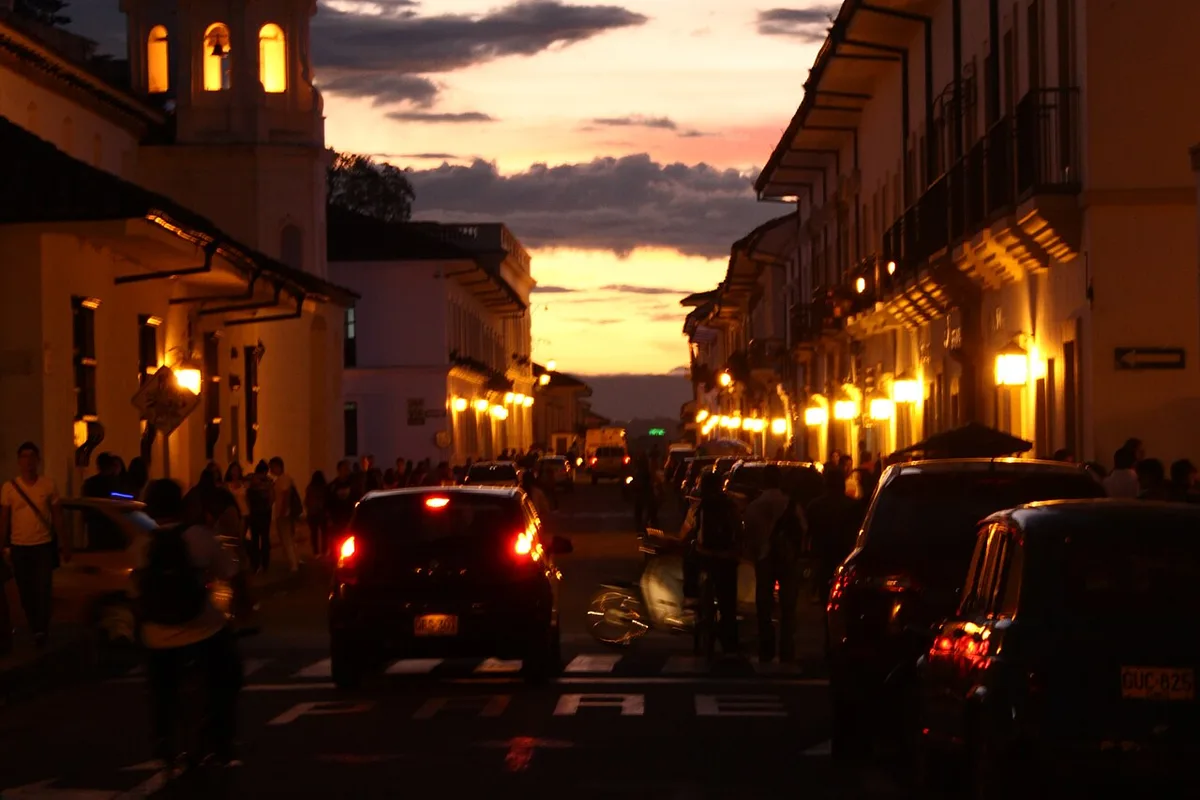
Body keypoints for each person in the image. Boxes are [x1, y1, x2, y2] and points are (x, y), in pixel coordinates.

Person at [138, 479, 242, 767]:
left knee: (159, 687)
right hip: (202, 630)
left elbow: (135, 591)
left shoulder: (142, 544)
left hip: (157, 635)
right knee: (229, 674)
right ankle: (223, 740)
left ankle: (162, 737)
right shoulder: (200, 537)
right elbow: (230, 573)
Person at [1, 441, 69, 651]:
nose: (28, 461)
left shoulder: (48, 485)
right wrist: (2, 544)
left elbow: (57, 516)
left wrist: (64, 542)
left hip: (42, 545)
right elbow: (4, 518)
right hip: (20, 546)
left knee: (42, 588)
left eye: (32, 457)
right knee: (25, 590)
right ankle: (34, 625)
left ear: (38, 461)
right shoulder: (9, 487)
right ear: (19, 461)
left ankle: (41, 629)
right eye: (23, 457)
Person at [743, 465, 808, 663]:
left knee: (764, 604)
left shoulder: (755, 505)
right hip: (787, 558)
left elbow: (749, 534)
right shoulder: (790, 504)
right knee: (788, 606)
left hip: (764, 557)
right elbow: (803, 529)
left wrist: (754, 552)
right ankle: (787, 647)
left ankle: (766, 647)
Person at [694, 470, 742, 655]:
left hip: (707, 557)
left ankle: (704, 627)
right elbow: (738, 529)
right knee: (728, 604)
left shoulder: (703, 506)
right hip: (728, 559)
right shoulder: (730, 505)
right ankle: (730, 642)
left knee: (703, 597)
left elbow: (697, 532)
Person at [269, 457, 300, 573]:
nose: (270, 470)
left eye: (272, 467)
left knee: (287, 539)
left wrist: (283, 511)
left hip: (284, 514)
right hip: (284, 513)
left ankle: (293, 565)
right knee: (289, 539)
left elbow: (286, 496)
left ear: (278, 466)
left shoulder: (284, 479)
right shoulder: (281, 479)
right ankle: (295, 562)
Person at [244, 462, 275, 574]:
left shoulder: (253, 481)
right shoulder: (267, 483)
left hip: (258, 513)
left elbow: (271, 498)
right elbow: (272, 498)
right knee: (261, 539)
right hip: (261, 513)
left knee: (258, 539)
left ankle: (258, 564)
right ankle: (260, 564)